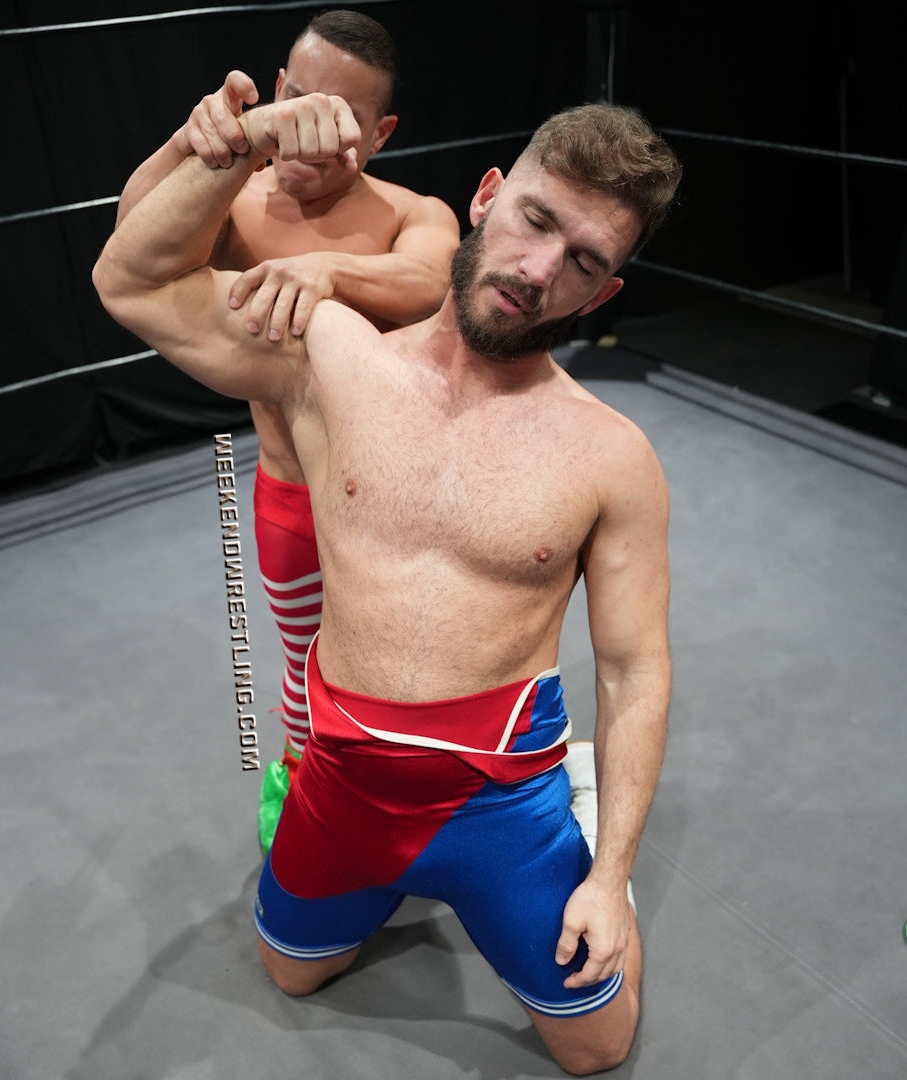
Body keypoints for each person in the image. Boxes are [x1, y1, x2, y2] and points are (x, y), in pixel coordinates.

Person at [94, 89, 680, 1073]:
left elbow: (633, 668)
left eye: (584, 261)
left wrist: (608, 876)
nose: (540, 271)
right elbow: (131, 280)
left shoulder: (613, 457)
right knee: (293, 974)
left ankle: (577, 834)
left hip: (502, 804)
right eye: (536, 219)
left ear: (602, 294)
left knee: (596, 1048)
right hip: (342, 779)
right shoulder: (329, 358)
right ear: (487, 197)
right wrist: (240, 148)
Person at [114, 10, 460, 851]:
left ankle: (428, 809)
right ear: (275, 91)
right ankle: (305, 795)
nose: (306, 132)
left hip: (398, 508)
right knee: (305, 669)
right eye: (296, 102)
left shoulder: (410, 213)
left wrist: (325, 269)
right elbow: (133, 241)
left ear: (380, 133)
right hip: (294, 498)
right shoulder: (232, 203)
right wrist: (198, 143)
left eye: (335, 118)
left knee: (415, 668)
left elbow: (427, 279)